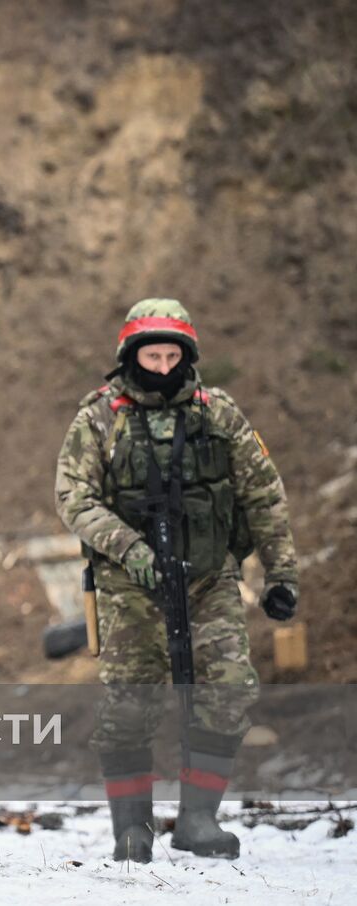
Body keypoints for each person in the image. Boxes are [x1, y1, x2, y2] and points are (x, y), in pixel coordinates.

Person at [55, 298, 298, 862]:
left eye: (171, 355)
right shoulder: (99, 417)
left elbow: (265, 496)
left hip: (209, 578)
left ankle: (197, 820)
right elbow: (75, 498)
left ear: (186, 355)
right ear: (130, 355)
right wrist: (129, 548)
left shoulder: (219, 414)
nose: (162, 366)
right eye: (151, 354)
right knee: (128, 703)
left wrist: (282, 574)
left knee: (228, 690)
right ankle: (131, 828)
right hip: (129, 585)